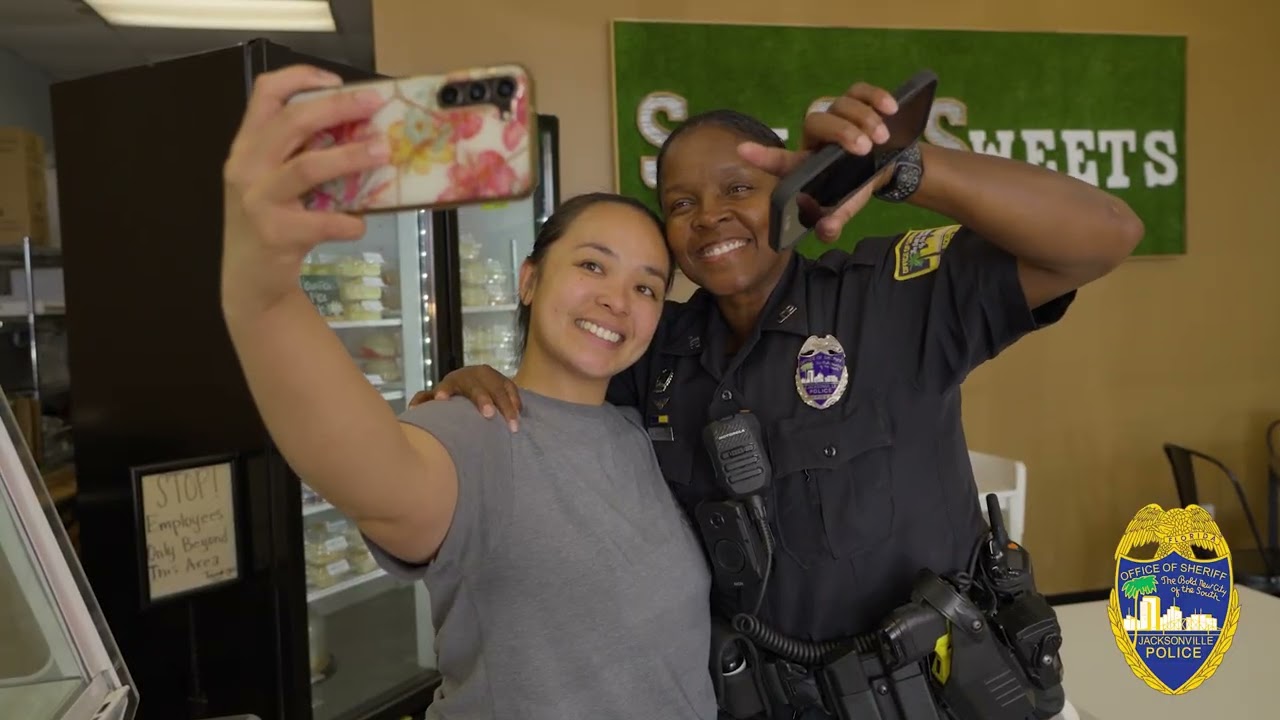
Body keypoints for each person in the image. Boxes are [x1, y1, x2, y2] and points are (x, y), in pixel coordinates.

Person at [421, 78, 1144, 716]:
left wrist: (903, 167)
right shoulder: (656, 352)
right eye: (681, 202)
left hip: (936, 694)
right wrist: (475, 386)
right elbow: (561, 394)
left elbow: (1107, 236)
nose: (709, 215)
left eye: (738, 188)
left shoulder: (888, 298)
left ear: (790, 193)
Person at [220, 65, 720, 720]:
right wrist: (261, 295)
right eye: (592, 264)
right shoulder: (472, 432)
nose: (616, 300)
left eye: (647, 287)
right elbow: (368, 470)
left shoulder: (635, 432)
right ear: (530, 280)